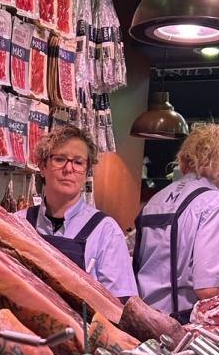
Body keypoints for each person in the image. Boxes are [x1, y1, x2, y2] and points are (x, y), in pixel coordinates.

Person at [134, 122, 219, 320]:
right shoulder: (217, 203)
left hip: (143, 316)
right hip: (182, 322)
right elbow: (208, 289)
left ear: (183, 159)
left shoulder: (157, 199)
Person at [19, 123, 135, 299]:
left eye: (78, 162)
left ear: (86, 172)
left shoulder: (106, 231)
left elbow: (120, 303)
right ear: (42, 167)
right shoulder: (18, 223)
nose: (68, 169)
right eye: (59, 159)